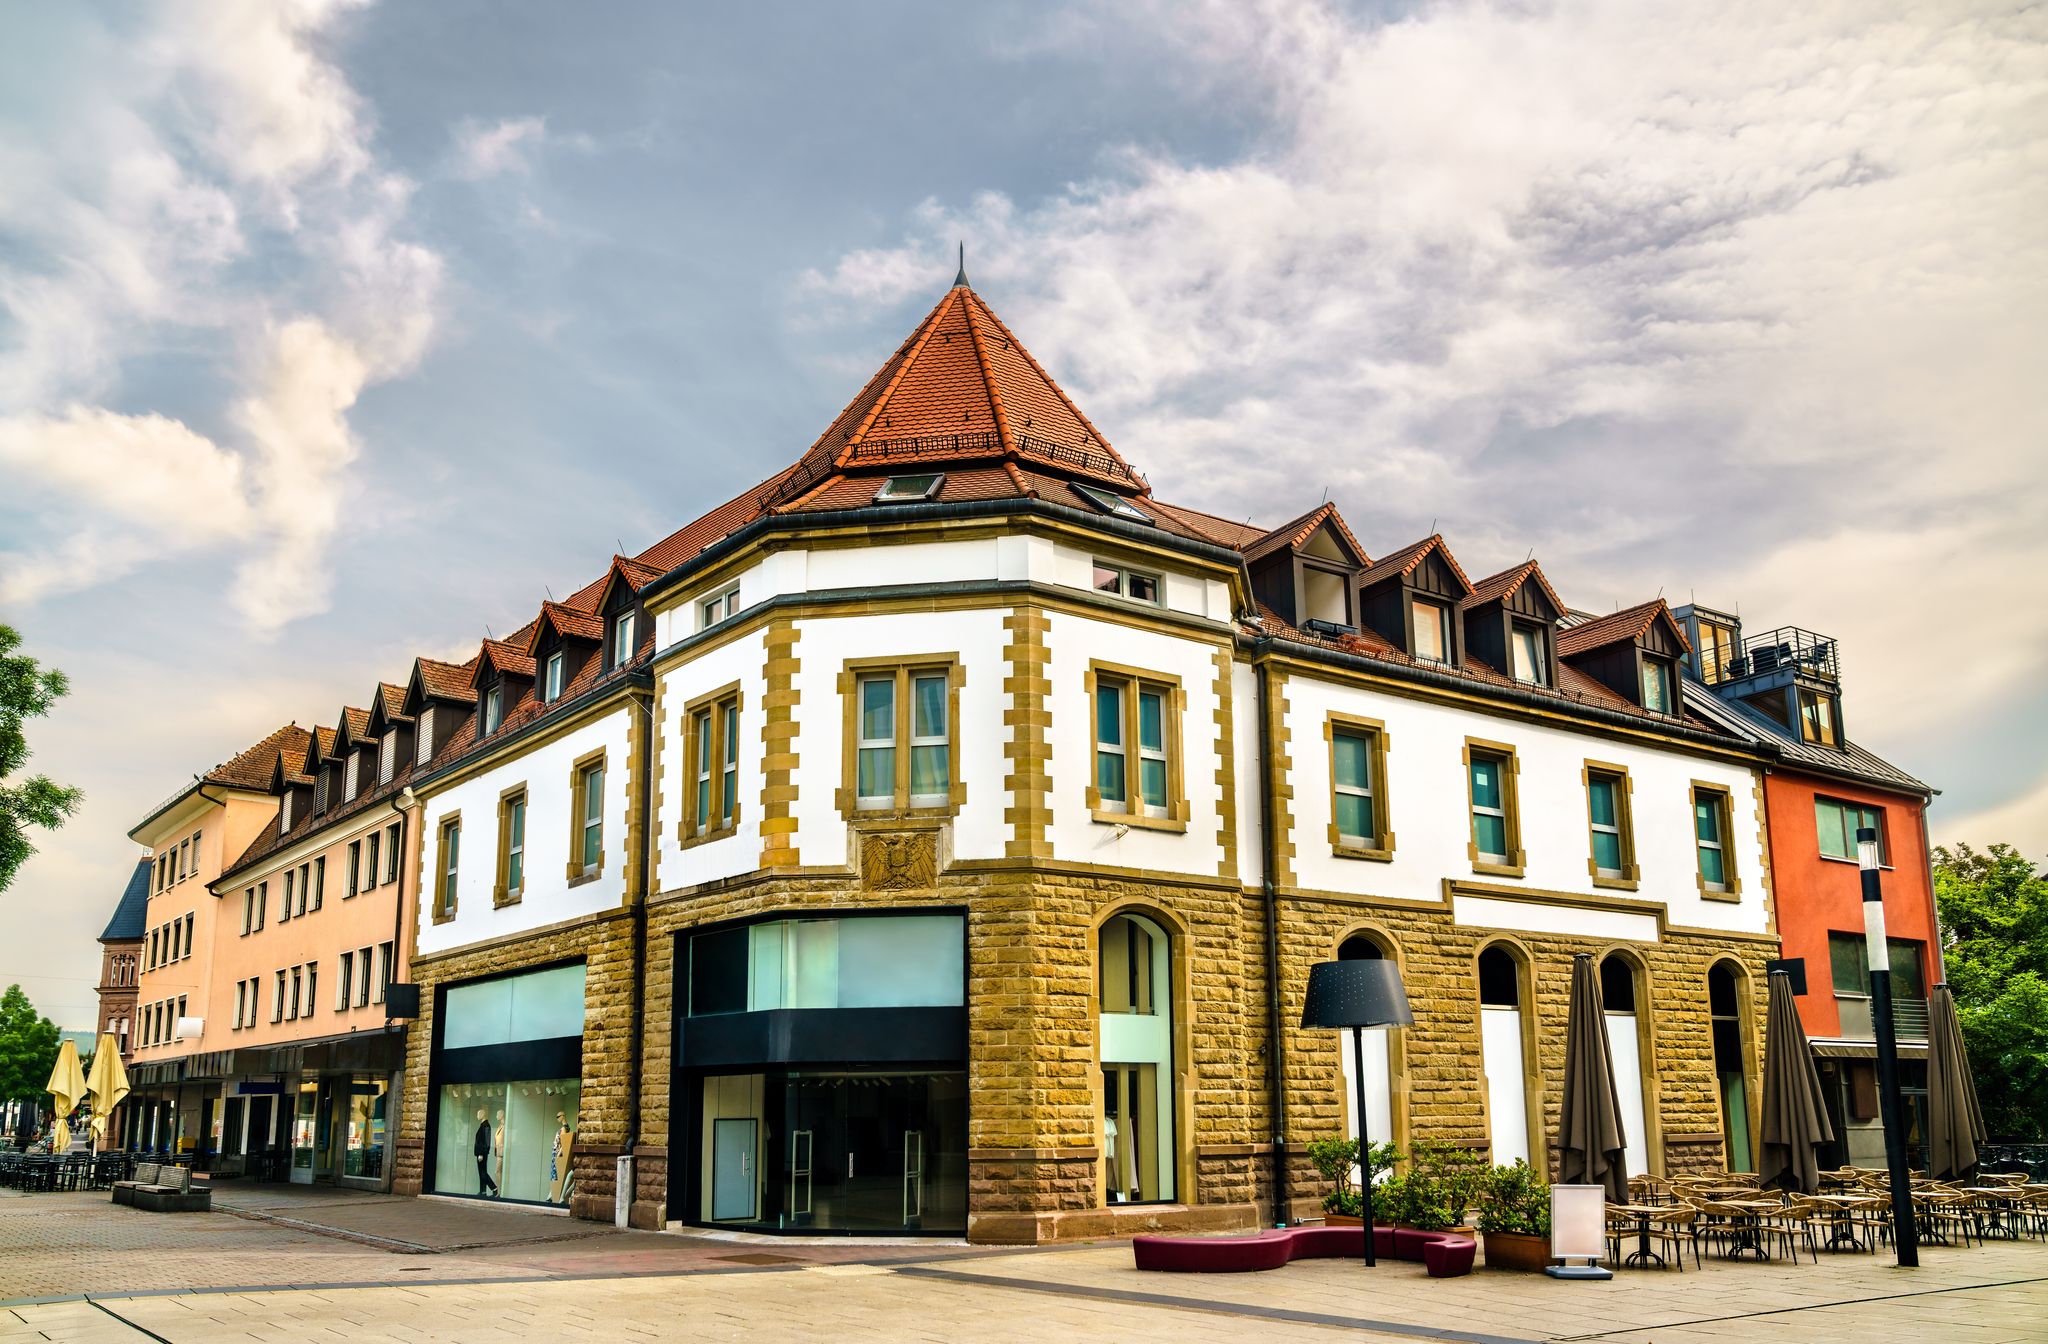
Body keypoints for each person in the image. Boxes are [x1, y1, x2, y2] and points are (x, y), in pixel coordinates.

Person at [473, 1109, 497, 1197]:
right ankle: (483, 1191)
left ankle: (494, 1188)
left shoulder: (486, 1126)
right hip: (480, 1153)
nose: (477, 1116)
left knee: (483, 1173)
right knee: (481, 1172)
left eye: (478, 1114)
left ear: (483, 1115)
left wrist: (481, 1153)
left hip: (482, 1154)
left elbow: (486, 1142)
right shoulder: (483, 1125)